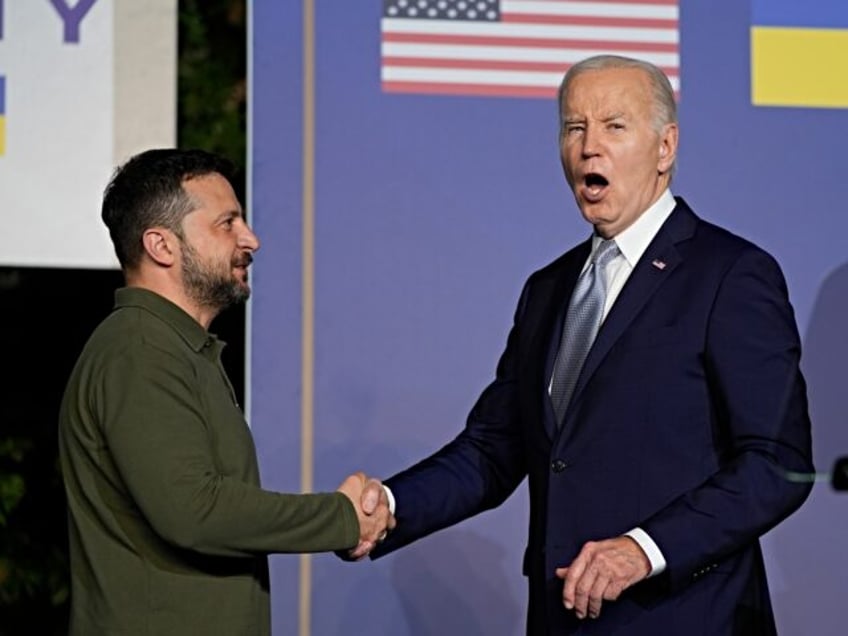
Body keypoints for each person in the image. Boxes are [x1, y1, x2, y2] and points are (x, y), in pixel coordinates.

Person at [358, 55, 814, 635]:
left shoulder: (731, 275)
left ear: (665, 148)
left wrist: (642, 549)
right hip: (561, 619)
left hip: (686, 618)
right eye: (574, 128)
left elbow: (777, 464)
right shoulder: (546, 289)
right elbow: (494, 448)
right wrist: (388, 508)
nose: (588, 147)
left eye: (613, 126)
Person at [58, 148, 393, 635]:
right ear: (161, 246)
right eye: (227, 224)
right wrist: (341, 517)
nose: (250, 239)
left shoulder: (173, 350)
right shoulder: (140, 351)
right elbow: (196, 511)